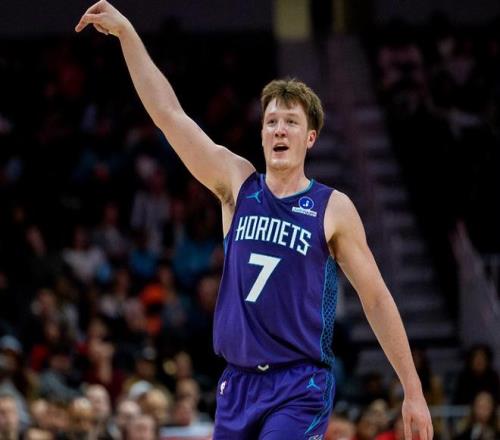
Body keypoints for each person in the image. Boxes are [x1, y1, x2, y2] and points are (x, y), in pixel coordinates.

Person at [75, 2, 433, 439]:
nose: (279, 129)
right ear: (262, 133)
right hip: (237, 383)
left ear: (310, 137)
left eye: (291, 122)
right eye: (271, 121)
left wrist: (412, 389)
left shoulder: (332, 206)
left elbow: (375, 297)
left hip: (299, 385)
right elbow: (169, 116)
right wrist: (128, 35)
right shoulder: (237, 183)